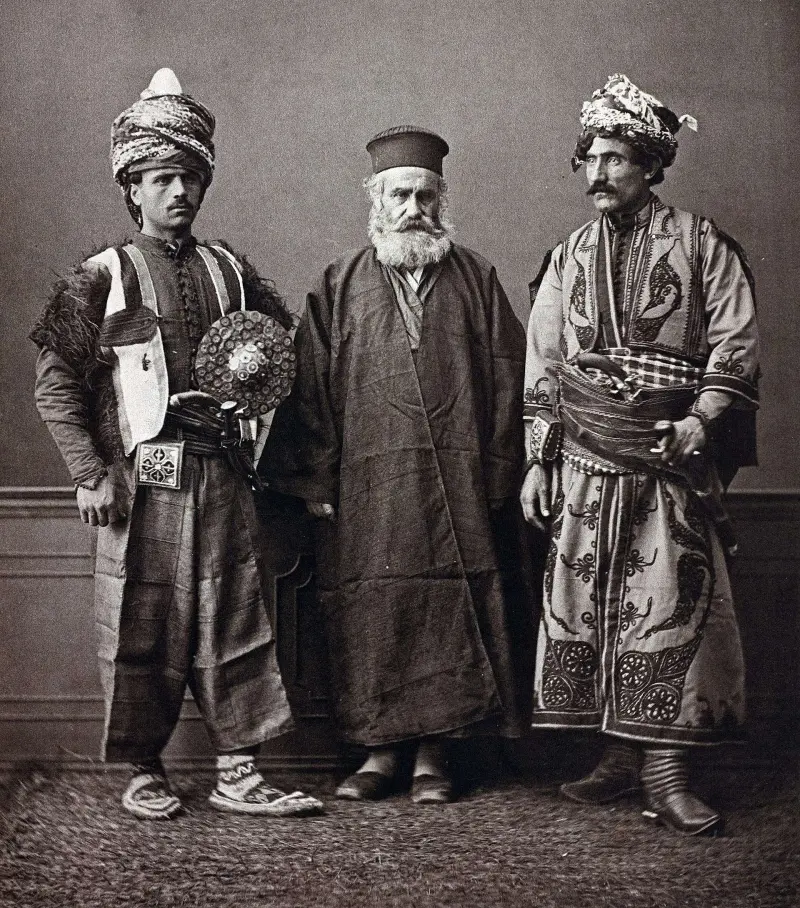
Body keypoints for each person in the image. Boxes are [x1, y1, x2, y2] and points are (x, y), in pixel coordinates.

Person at [30, 68, 322, 820]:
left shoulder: (231, 270)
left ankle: (239, 770)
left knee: (235, 615)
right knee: (142, 619)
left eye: (190, 176)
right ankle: (143, 769)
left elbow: (280, 362)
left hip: (222, 476)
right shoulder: (103, 276)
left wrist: (269, 448)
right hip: (140, 484)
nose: (179, 192)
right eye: (162, 178)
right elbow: (57, 384)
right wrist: (90, 474)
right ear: (132, 188)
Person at [263, 126, 533, 804]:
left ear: (442, 202)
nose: (414, 208)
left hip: (460, 488)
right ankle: (379, 753)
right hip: (367, 492)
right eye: (400, 195)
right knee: (375, 612)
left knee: (448, 607)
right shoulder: (339, 283)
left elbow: (509, 378)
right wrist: (318, 480)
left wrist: (502, 472)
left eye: (425, 195)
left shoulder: (478, 280)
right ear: (377, 203)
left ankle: (435, 758)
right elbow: (311, 387)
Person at [520, 74, 759, 836]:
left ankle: (667, 769)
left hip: (669, 459)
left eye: (617, 158)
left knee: (670, 608)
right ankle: (619, 759)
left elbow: (736, 339)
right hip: (589, 462)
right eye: (591, 157)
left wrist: (700, 420)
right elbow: (545, 362)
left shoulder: (700, 242)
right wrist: (539, 459)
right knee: (590, 610)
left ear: (651, 164)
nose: (600, 173)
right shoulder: (566, 255)